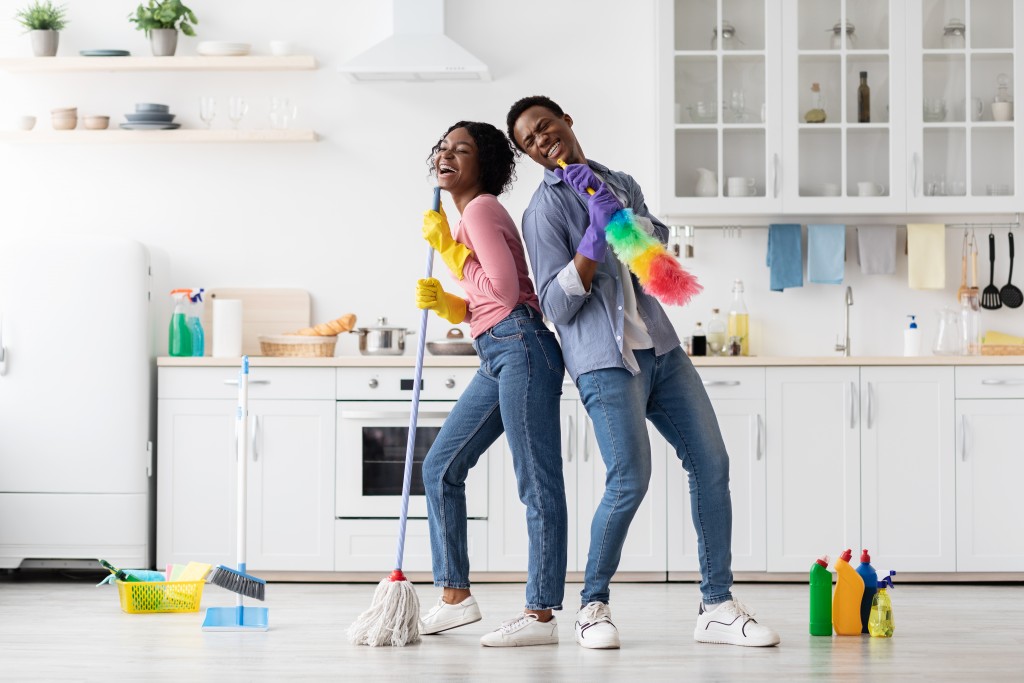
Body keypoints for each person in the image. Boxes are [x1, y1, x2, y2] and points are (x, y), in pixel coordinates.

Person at [506, 96, 780, 650]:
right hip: (604, 363)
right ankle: (592, 606)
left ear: (567, 120)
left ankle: (716, 604)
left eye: (544, 127)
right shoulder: (542, 212)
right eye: (529, 141)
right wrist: (591, 239)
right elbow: (556, 310)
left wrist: (621, 218)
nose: (541, 141)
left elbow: (656, 264)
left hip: (661, 350)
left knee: (711, 462)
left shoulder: (619, 182)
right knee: (630, 478)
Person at [416, 120, 568, 648]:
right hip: (500, 349)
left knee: (536, 482)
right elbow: (489, 302)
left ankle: (541, 615)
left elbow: (504, 293)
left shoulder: (479, 209)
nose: (448, 155)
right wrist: (450, 303)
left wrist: (452, 253)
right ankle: (456, 598)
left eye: (463, 149)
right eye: (443, 147)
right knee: (440, 466)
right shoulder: (466, 218)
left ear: (486, 166)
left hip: (521, 346)